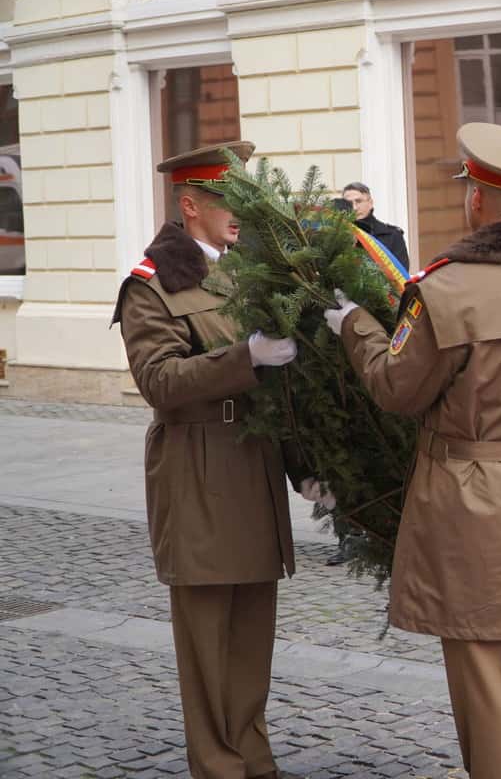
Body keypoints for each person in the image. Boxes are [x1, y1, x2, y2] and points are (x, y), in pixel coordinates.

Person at [324, 122, 501, 778]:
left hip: (467, 491)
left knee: (482, 668)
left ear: (475, 199)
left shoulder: (446, 288)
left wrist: (353, 326)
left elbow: (397, 388)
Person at [113, 141, 314, 779]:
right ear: (190, 204)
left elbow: (274, 387)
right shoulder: (150, 284)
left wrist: (301, 464)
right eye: (228, 200)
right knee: (206, 634)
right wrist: (246, 357)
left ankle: (253, 752)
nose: (239, 214)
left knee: (252, 627)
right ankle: (217, 763)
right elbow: (161, 382)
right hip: (196, 465)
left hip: (251, 461)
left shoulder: (237, 273)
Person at [342, 181, 410, 269]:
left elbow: (401, 275)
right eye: (348, 203)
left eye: (359, 201)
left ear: (370, 203)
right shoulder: (336, 236)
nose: (354, 208)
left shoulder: (392, 235)